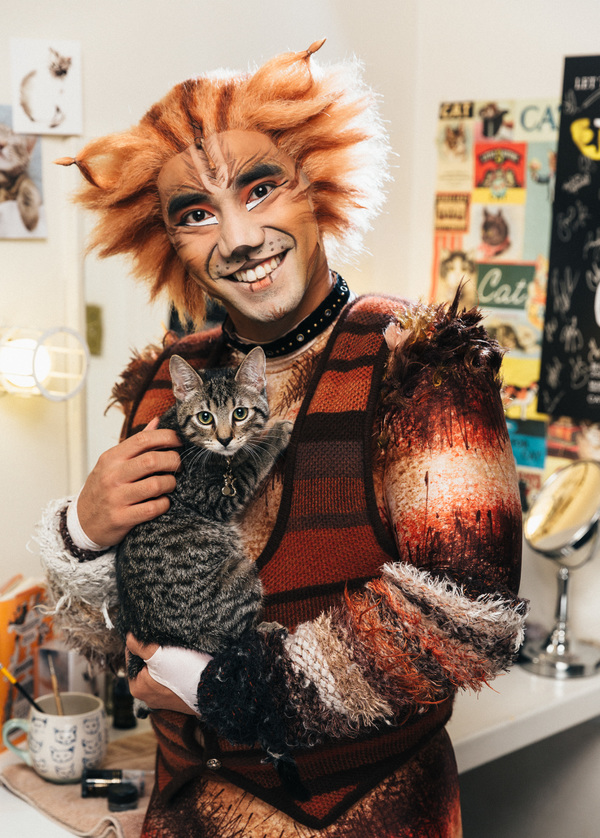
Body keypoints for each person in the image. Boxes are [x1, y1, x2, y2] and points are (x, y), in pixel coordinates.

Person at [38, 40, 527, 837]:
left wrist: (213, 686)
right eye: (196, 213)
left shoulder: (416, 361)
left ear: (319, 185)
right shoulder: (166, 380)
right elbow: (104, 651)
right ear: (169, 242)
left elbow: (458, 621)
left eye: (261, 188)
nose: (238, 237)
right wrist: (82, 531)